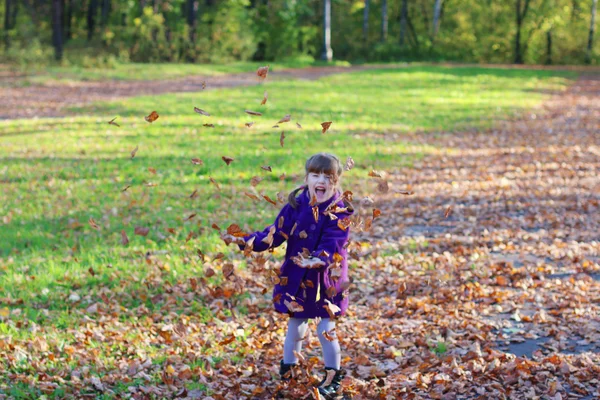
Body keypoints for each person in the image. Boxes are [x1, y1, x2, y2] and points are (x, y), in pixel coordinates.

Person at [222, 152, 354, 399]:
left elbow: (335, 240)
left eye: (327, 176)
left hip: (327, 281)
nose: (321, 181)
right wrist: (244, 241)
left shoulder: (340, 210)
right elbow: (273, 234)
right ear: (307, 178)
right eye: (315, 175)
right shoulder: (296, 206)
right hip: (298, 280)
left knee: (325, 328)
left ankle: (333, 378)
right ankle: (288, 372)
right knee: (296, 326)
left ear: (336, 181)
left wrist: (320, 258)